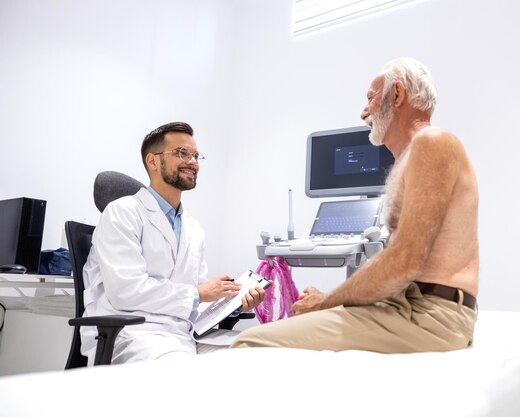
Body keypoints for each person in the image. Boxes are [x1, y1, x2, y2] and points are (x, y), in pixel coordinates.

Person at [231, 58, 478, 353]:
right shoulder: (408, 159)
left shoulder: (432, 142)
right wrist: (333, 299)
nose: (364, 112)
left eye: (371, 98)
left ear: (397, 95)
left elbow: (405, 261)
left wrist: (327, 302)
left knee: (249, 341)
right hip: (406, 305)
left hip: (430, 316)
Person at [81, 122, 265, 363]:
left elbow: (195, 303)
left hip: (184, 335)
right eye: (181, 153)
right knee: (184, 372)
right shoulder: (121, 213)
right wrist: (199, 293)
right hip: (134, 335)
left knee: (260, 353)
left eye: (195, 155)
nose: (193, 162)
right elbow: (125, 292)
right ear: (153, 162)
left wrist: (233, 304)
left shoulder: (193, 228)